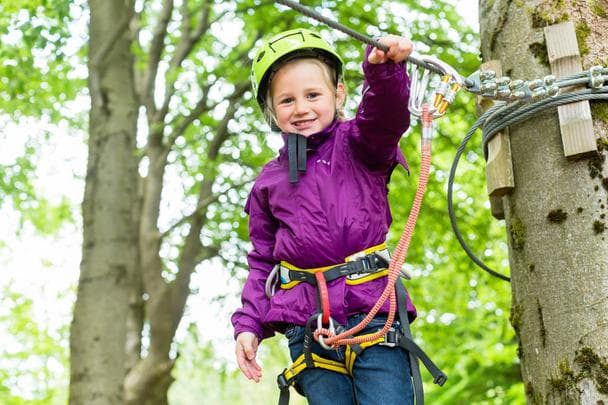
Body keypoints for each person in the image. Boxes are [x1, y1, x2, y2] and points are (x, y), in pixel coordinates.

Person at [231, 27, 416, 404]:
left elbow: (386, 117)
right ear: (271, 110)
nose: (301, 108)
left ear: (339, 94)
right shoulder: (269, 182)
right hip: (309, 329)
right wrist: (248, 325)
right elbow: (263, 261)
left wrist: (383, 72)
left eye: (312, 95)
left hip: (373, 315)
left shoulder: (362, 145)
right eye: (286, 100)